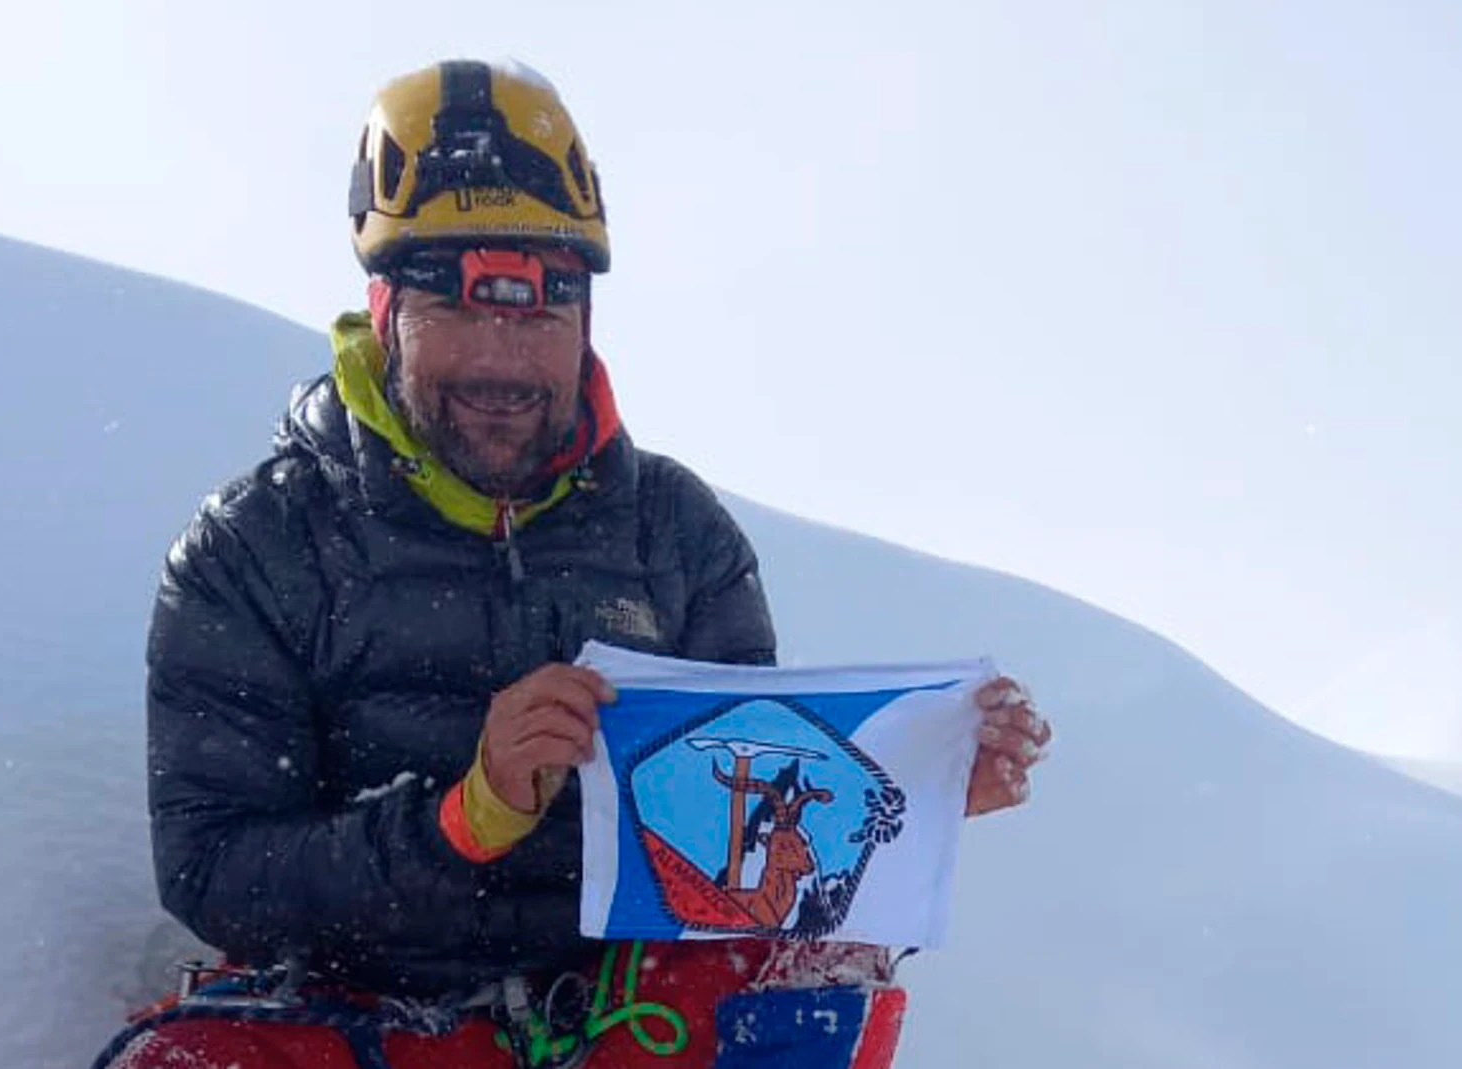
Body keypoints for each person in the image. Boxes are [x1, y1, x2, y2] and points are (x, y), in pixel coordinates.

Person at [107, 59, 1051, 1069]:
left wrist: (904, 803)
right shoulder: (256, 546)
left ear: (585, 319)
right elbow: (216, 870)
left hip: (611, 1014)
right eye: (462, 309)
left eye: (540, 312)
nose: (504, 361)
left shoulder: (676, 535)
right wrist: (462, 819)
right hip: (364, 1011)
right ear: (384, 310)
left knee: (816, 983)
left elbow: (741, 844)